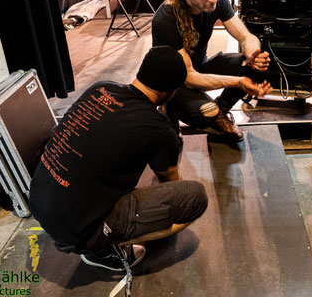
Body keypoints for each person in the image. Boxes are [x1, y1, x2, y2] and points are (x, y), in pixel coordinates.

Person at [29, 46, 208, 271]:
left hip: (40, 202)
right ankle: (103, 250)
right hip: (78, 231)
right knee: (194, 198)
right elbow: (171, 182)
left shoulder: (100, 88)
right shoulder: (158, 129)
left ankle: (95, 235)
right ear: (170, 92)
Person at [152, 0, 272, 142]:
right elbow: (190, 79)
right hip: (174, 83)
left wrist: (253, 54)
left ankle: (220, 111)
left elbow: (245, 36)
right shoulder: (166, 19)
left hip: (199, 68)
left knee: (255, 68)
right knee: (203, 114)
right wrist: (239, 82)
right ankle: (170, 108)